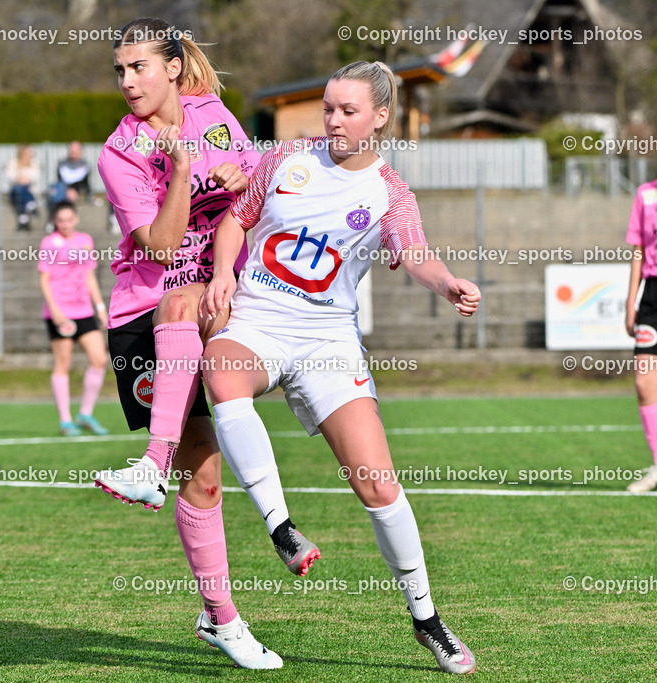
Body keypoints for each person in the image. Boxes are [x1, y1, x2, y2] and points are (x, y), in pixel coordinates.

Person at [198, 61, 479, 675]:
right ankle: (282, 530)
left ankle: (427, 618)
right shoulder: (286, 159)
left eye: (347, 110)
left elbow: (417, 253)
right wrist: (223, 273)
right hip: (259, 323)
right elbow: (234, 219)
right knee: (220, 368)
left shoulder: (390, 191)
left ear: (380, 118)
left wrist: (447, 283)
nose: (333, 120)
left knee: (377, 483)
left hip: (328, 343)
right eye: (328, 107)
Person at [92, 17, 279, 669]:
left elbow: (259, 197)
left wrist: (239, 187)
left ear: (173, 67)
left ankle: (149, 465)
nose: (127, 80)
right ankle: (221, 617)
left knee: (192, 304)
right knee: (201, 473)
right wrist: (182, 172)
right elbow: (163, 245)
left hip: (209, 302)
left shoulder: (212, 112)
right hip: (143, 320)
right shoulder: (120, 151)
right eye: (119, 70)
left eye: (138, 66)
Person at [38, 200, 109, 436]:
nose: (65, 224)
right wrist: (55, 310)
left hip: (84, 310)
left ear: (75, 219)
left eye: (69, 220)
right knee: (63, 363)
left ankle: (85, 413)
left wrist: (99, 306)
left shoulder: (85, 241)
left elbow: (89, 275)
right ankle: (65, 420)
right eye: (60, 221)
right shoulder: (49, 243)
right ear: (54, 222)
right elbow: (44, 279)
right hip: (60, 312)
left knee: (99, 359)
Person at [624, 176, 657, 492]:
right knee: (644, 380)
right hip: (652, 295)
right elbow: (638, 250)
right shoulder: (646, 194)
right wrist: (631, 302)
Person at [6, 144, 41, 231]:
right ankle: (30, 205)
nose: (31, 154)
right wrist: (21, 179)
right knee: (20, 188)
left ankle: (23, 216)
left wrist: (22, 179)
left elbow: (35, 177)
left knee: (23, 188)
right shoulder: (13, 163)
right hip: (16, 193)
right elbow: (10, 176)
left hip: (30, 191)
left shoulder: (34, 164)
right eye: (29, 152)